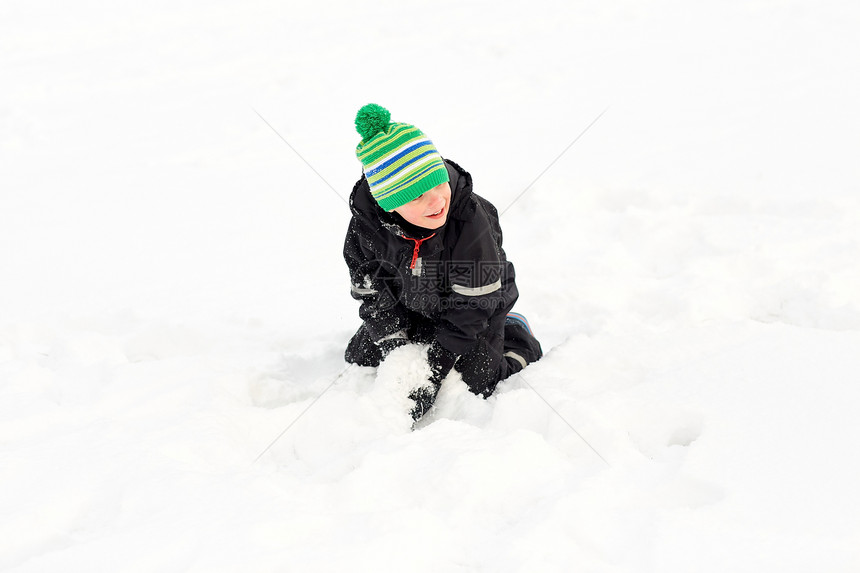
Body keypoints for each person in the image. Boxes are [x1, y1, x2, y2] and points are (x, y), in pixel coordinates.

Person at [343, 103, 542, 420]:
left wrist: (433, 369)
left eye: (438, 183)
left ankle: (515, 333)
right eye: (417, 196)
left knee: (476, 381)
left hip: (476, 306)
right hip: (413, 303)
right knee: (360, 358)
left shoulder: (467, 219)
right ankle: (420, 337)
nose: (437, 200)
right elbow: (371, 290)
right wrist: (397, 350)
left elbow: (476, 300)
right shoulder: (368, 230)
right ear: (390, 205)